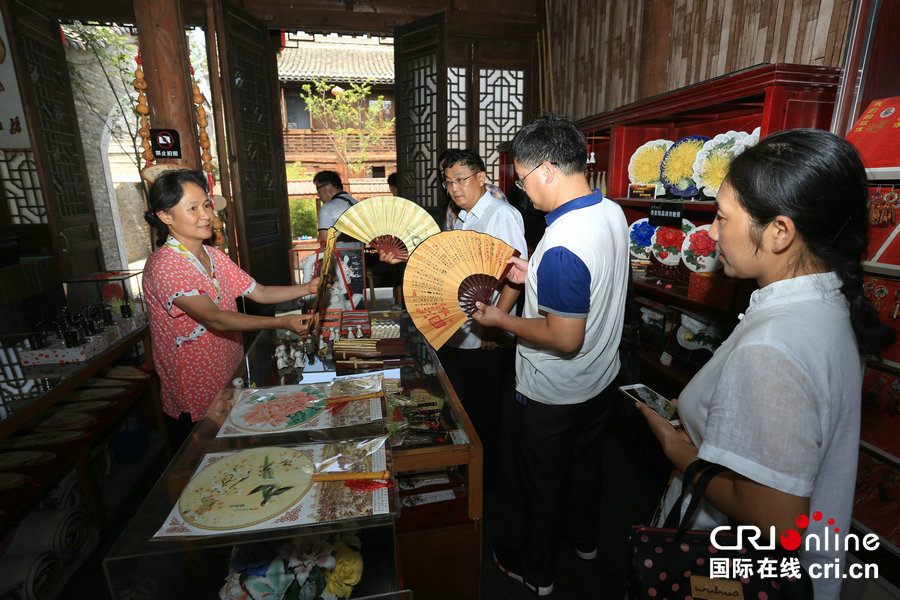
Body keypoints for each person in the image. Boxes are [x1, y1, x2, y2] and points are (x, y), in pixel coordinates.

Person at [636, 129, 894, 600]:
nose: (711, 233)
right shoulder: (827, 301)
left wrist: (677, 451)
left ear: (779, 232)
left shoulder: (773, 344)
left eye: (721, 217)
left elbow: (776, 519)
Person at [473, 114, 630, 596]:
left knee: (540, 486)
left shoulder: (562, 243)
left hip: (553, 394)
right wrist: (532, 274)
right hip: (599, 382)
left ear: (546, 170)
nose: (523, 191)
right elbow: (590, 285)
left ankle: (537, 573)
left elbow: (564, 337)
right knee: (585, 469)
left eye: (521, 179)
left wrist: (501, 321)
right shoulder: (609, 211)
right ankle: (586, 544)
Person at [143, 169, 318, 448]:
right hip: (196, 389)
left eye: (206, 205)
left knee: (237, 458)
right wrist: (282, 323)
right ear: (165, 216)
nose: (207, 215)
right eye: (193, 208)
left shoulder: (212, 255)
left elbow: (258, 292)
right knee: (205, 469)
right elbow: (216, 319)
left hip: (228, 374)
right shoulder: (165, 266)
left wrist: (308, 288)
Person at [436, 148, 527, 475]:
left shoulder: (500, 215)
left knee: (486, 413)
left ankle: (487, 484)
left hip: (486, 334)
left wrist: (495, 326)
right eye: (448, 183)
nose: (454, 188)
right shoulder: (463, 218)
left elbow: (516, 278)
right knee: (468, 407)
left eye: (461, 179)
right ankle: (472, 475)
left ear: (481, 177)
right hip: (464, 328)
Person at [313, 170, 357, 243]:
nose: (318, 194)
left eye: (318, 189)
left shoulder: (328, 208)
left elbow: (323, 241)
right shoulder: (356, 203)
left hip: (338, 253)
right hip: (359, 253)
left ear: (329, 187)